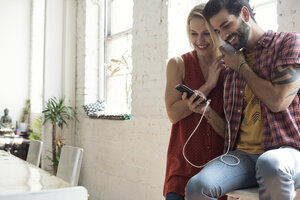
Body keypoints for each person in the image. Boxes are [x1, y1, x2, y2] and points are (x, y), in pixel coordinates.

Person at [185, 0, 300, 200]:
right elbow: (230, 130)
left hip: (288, 152)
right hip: (244, 157)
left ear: (245, 14)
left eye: (227, 25)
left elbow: (278, 101)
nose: (224, 36)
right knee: (197, 186)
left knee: (270, 163)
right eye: (217, 31)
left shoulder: (288, 43)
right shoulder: (230, 63)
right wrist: (207, 111)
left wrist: (241, 66)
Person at [163, 3, 227, 200]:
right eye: (193, 33)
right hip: (181, 169)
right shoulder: (178, 64)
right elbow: (173, 115)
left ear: (216, 32)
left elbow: (231, 131)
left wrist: (206, 111)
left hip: (220, 173)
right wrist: (208, 86)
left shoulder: (230, 66)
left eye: (206, 33)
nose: (199, 40)